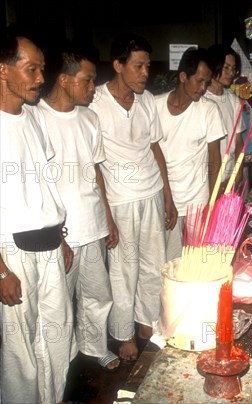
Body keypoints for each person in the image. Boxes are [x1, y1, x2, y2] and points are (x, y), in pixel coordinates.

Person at [31, 44, 121, 371]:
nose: (92, 90)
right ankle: (62, 360)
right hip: (61, 231)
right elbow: (39, 183)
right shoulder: (36, 118)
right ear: (66, 79)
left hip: (93, 222)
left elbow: (96, 171)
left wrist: (109, 219)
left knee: (98, 295)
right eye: (87, 80)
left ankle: (95, 347)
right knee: (58, 304)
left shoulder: (89, 118)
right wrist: (58, 235)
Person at [89, 33, 177, 362]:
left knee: (154, 265)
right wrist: (106, 214)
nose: (145, 73)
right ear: (118, 65)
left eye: (147, 66)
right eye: (138, 66)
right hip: (120, 198)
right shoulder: (95, 103)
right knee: (124, 269)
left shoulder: (147, 102)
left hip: (151, 193)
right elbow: (94, 164)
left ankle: (147, 324)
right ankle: (123, 333)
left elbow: (156, 149)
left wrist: (168, 198)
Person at [0, 33, 74, 404]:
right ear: (2, 69)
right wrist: (0, 271)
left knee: (57, 334)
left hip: (48, 243)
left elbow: (48, 182)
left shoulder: (33, 118)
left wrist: (61, 237)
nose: (41, 77)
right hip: (13, 250)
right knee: (20, 350)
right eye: (32, 68)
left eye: (42, 68)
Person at [155, 47, 227, 261]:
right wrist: (166, 199)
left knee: (196, 264)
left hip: (197, 201)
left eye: (207, 82)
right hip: (164, 200)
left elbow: (215, 159)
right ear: (183, 77)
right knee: (168, 265)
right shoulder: (154, 106)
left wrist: (213, 204)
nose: (203, 88)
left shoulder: (209, 110)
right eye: (199, 81)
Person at [206, 44, 247, 191]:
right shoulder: (201, 99)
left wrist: (237, 176)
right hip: (206, 182)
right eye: (226, 68)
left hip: (229, 179)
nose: (231, 73)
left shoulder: (233, 100)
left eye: (233, 68)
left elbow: (239, 143)